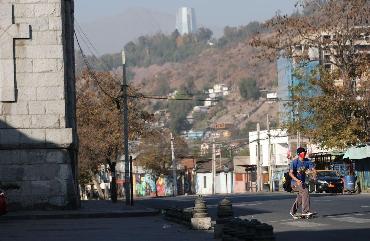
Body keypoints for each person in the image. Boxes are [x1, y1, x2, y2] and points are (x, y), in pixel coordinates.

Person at [289, 147, 316, 218]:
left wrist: (314, 176)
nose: (304, 154)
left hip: (302, 183)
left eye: (305, 153)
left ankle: (292, 211)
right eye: (303, 153)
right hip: (294, 183)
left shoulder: (307, 161)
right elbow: (290, 173)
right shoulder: (295, 162)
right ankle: (305, 211)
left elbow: (313, 170)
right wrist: (297, 180)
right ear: (299, 154)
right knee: (305, 191)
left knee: (300, 198)